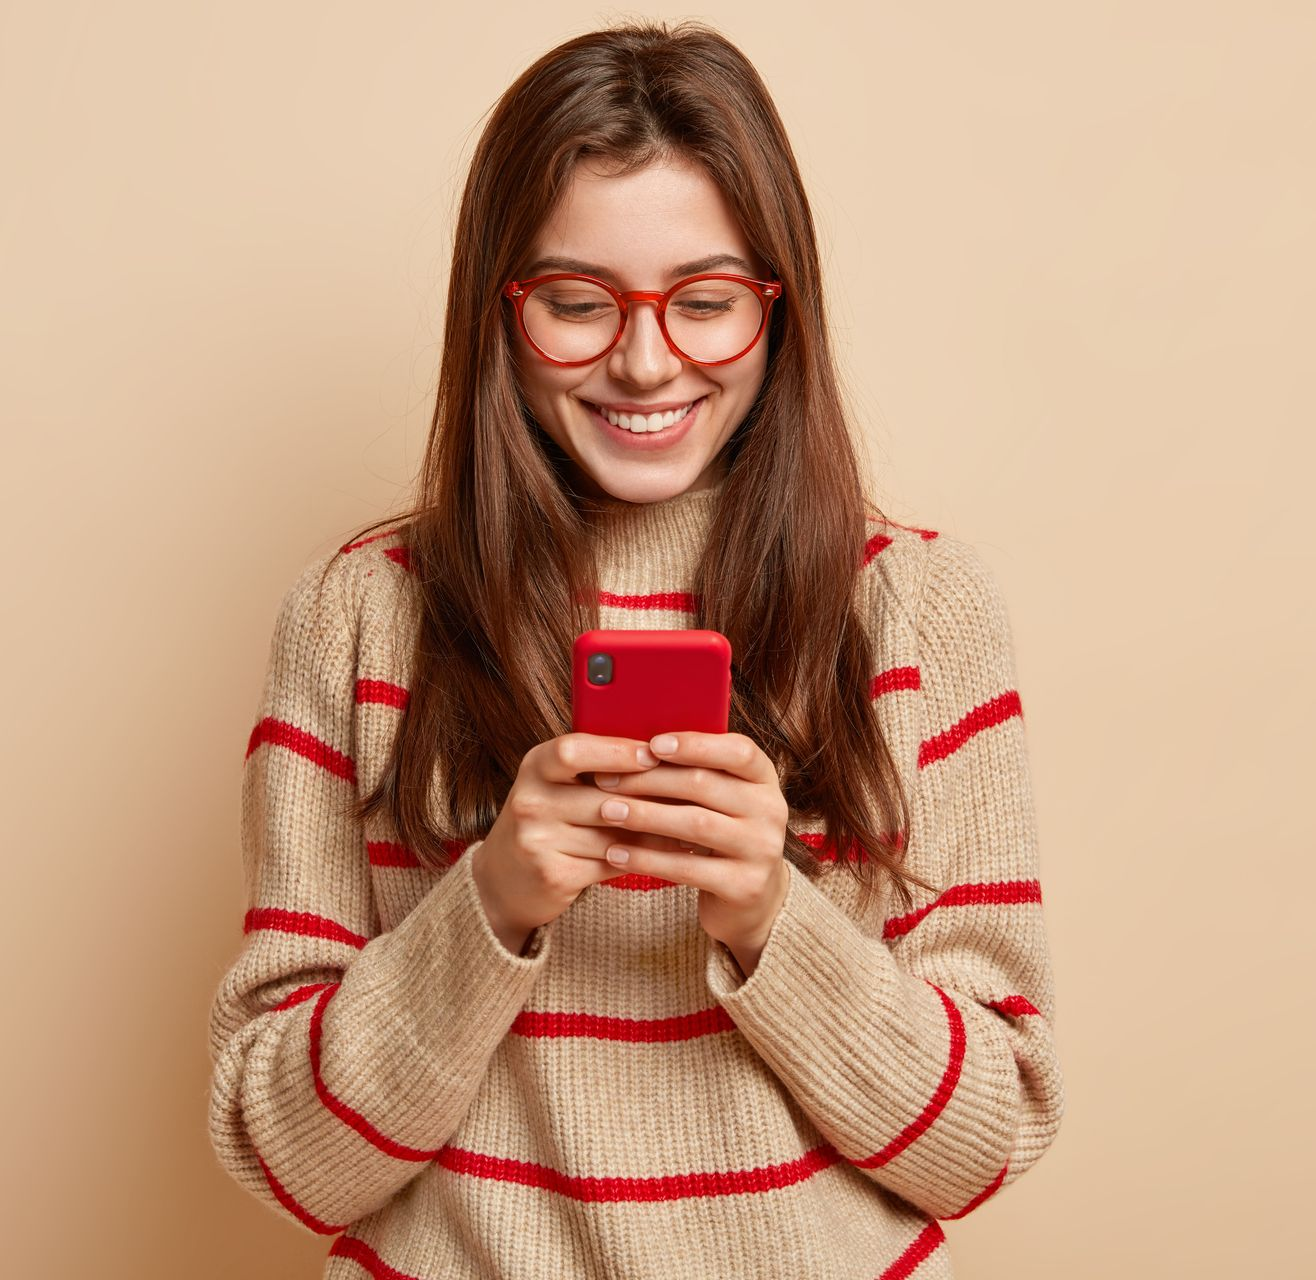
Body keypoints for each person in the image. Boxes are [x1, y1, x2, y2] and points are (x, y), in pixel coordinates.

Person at [207, 19, 1065, 1279]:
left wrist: (772, 915)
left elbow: (984, 1139)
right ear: (496, 310)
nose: (645, 357)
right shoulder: (356, 617)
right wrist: (489, 902)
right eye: (575, 301)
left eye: (706, 301)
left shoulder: (920, 611)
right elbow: (283, 1154)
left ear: (780, 310)